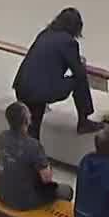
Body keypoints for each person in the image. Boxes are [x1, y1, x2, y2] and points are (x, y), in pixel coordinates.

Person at [0, 102, 70, 217]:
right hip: (24, 200)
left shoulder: (0, 137)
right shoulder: (33, 145)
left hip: (2, 194)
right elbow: (47, 178)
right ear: (26, 121)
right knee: (66, 191)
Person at [14, 8, 101, 139]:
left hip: (22, 87)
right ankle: (84, 121)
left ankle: (29, 154)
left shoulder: (44, 33)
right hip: (40, 91)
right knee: (79, 79)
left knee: (32, 128)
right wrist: (79, 62)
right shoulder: (69, 42)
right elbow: (78, 71)